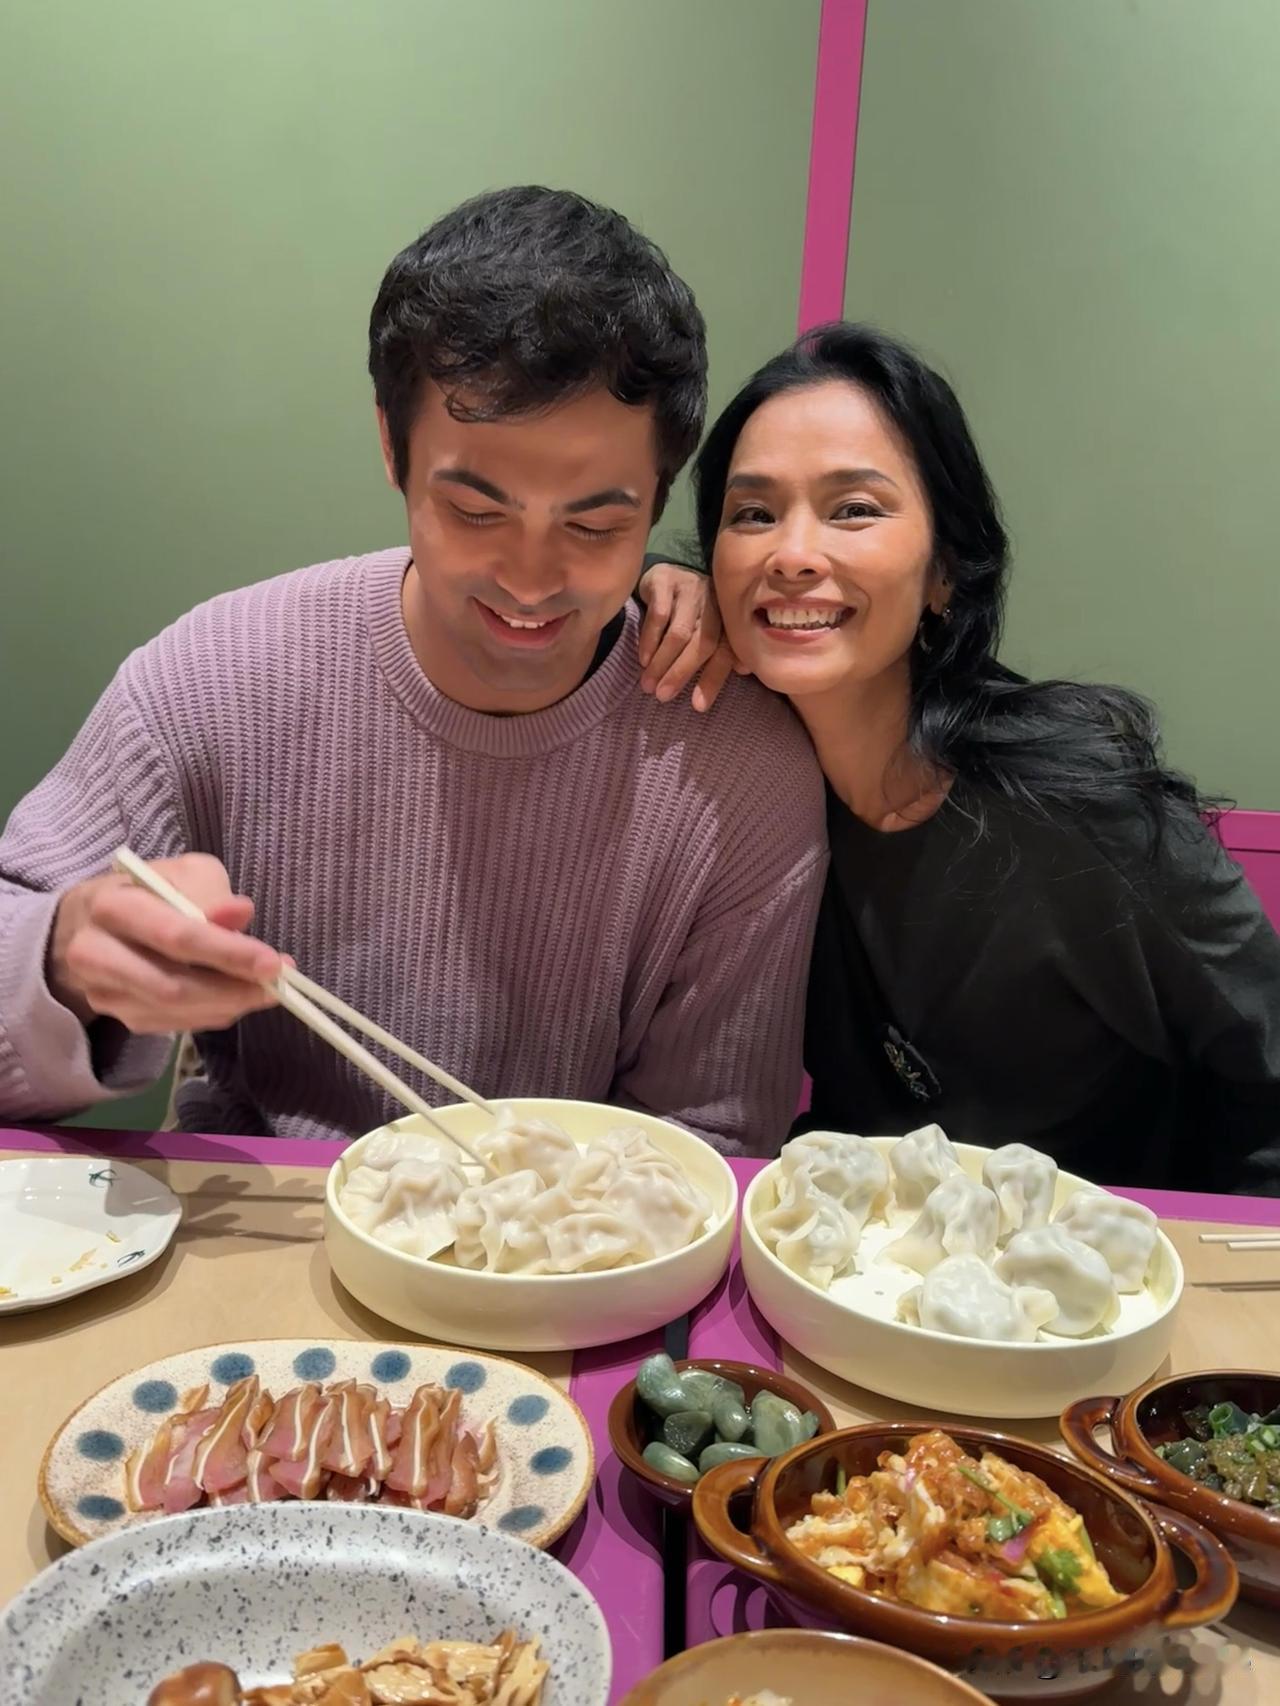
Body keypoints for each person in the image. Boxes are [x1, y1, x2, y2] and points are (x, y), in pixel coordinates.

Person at [0, 187, 826, 1154]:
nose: (530, 579)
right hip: (269, 1211)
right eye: (476, 512)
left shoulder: (738, 770)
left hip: (581, 1231)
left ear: (657, 500)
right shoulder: (215, 681)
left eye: (596, 526)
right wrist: (62, 961)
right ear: (393, 449)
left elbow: (711, 1141)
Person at [690, 321, 1280, 1192]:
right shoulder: (742, 789)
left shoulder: (1079, 804)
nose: (792, 555)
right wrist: (652, 594)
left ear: (946, 570)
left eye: (854, 509)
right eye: (753, 515)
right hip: (869, 1254)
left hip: (1117, 1259)